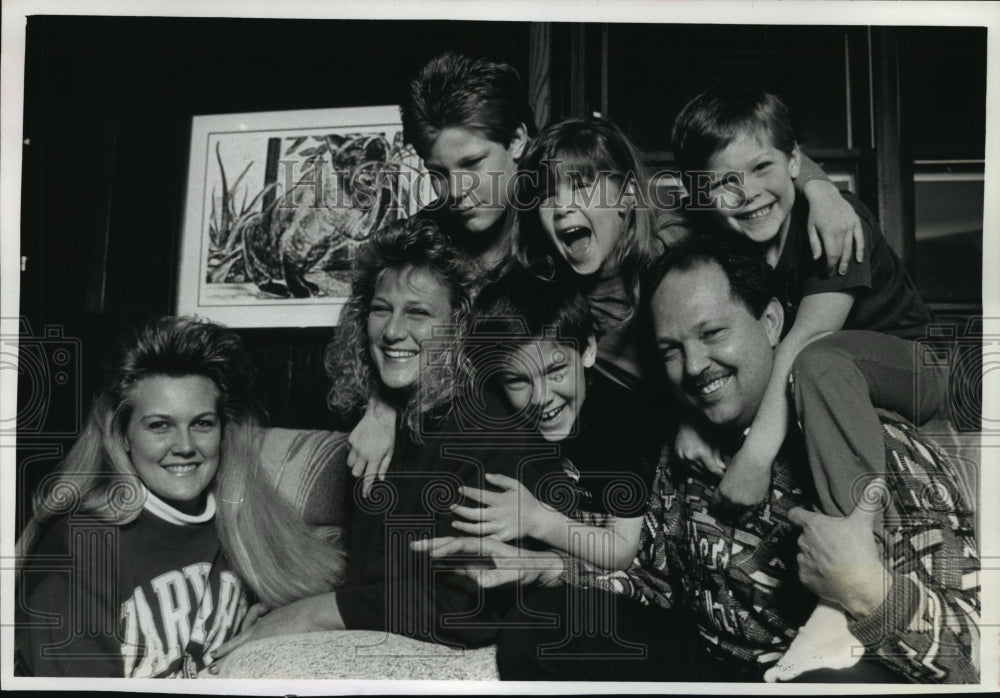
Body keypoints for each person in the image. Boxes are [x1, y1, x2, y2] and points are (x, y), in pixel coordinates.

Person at [422, 232, 979, 683]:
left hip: (821, 672)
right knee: (540, 629)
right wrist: (550, 567)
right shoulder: (680, 453)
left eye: (713, 333)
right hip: (713, 667)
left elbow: (973, 650)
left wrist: (866, 592)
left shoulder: (881, 447)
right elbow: (657, 582)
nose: (694, 366)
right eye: (671, 349)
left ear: (770, 324)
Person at [350, 54, 863, 484]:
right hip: (559, 435)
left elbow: (741, 171)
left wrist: (820, 189)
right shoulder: (434, 236)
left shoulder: (586, 187)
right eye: (438, 174)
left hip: (695, 409)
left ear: (518, 142)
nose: (457, 193)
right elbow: (387, 322)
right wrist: (380, 407)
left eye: (472, 165)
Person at [214, 216, 548, 658]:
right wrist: (289, 602)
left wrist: (313, 613)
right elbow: (375, 578)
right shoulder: (383, 431)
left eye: (419, 312)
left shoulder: (488, 435)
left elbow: (467, 606)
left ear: (459, 327)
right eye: (380, 308)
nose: (392, 331)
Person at [669, 87, 949, 521]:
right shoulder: (729, 245)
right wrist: (690, 420)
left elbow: (809, 338)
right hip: (829, 380)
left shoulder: (834, 225)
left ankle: (854, 540)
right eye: (724, 182)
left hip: (913, 368)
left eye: (762, 168)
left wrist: (755, 459)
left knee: (816, 360)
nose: (747, 193)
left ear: (794, 164)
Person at [15, 316, 344, 678]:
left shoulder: (242, 518)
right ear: (122, 435)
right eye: (159, 425)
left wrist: (277, 611)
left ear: (223, 431)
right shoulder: (82, 544)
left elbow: (336, 584)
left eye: (202, 423)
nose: (185, 446)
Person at [445, 270, 661, 570]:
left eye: (555, 371)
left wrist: (537, 520)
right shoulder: (501, 412)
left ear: (587, 350)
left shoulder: (622, 425)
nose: (540, 397)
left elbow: (621, 551)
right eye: (518, 380)